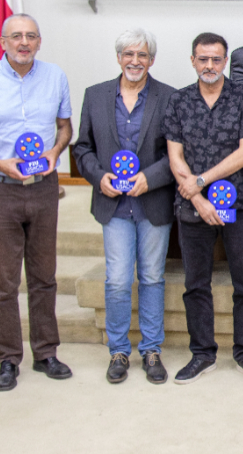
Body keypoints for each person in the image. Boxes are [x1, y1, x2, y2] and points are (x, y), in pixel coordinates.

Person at [0, 13, 74, 391]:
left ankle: (46, 352)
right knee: (4, 281)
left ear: (39, 41)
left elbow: (65, 127)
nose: (24, 42)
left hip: (43, 188)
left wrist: (55, 151)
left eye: (31, 36)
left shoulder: (55, 76)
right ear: (3, 42)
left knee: (44, 277)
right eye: (16, 36)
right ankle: (8, 358)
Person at [162, 33, 243, 385]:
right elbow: (175, 155)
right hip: (192, 206)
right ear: (193, 60)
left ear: (225, 61)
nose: (209, 65)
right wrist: (197, 198)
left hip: (240, 204)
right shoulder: (178, 101)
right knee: (196, 284)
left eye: (216, 59)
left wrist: (201, 181)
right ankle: (202, 354)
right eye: (203, 59)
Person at [72, 29, 177, 385]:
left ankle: (151, 350)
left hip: (153, 203)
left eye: (142, 55)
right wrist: (98, 176)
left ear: (152, 60)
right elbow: (82, 148)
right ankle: (118, 350)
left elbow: (178, 153)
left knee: (152, 278)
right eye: (129, 54)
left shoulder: (169, 97)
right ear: (119, 58)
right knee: (117, 280)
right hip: (113, 205)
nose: (135, 61)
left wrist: (152, 177)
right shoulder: (95, 95)